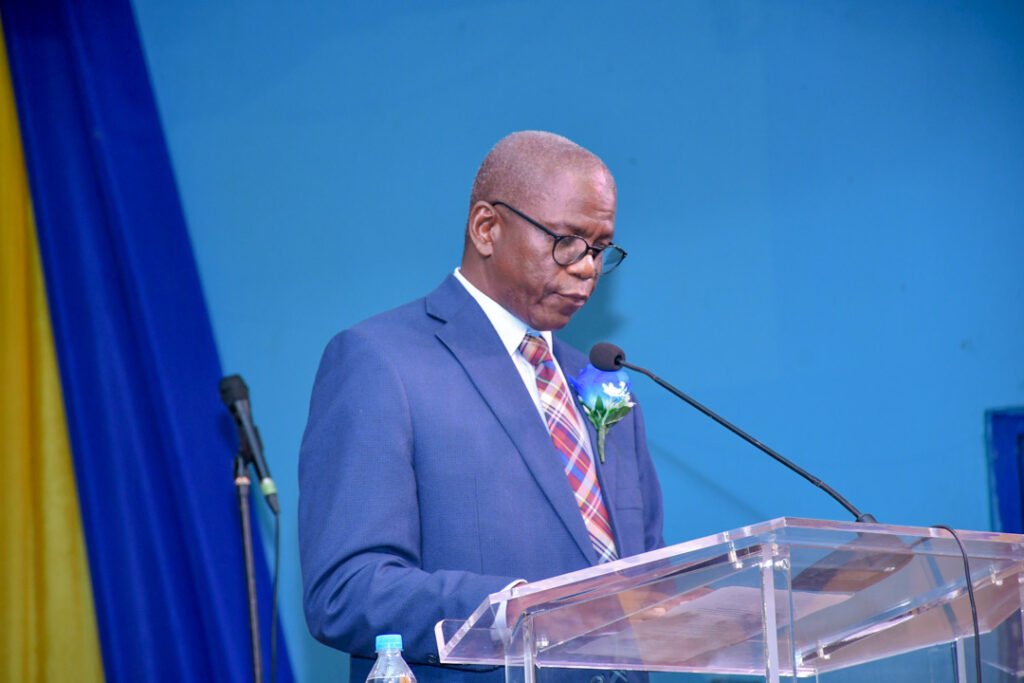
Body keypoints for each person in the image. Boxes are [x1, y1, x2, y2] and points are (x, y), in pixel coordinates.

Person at [299, 131, 664, 683]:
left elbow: (646, 575)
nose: (587, 267)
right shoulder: (381, 362)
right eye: (568, 241)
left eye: (600, 249)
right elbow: (346, 590)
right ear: (487, 228)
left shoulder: (602, 385)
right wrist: (514, 612)